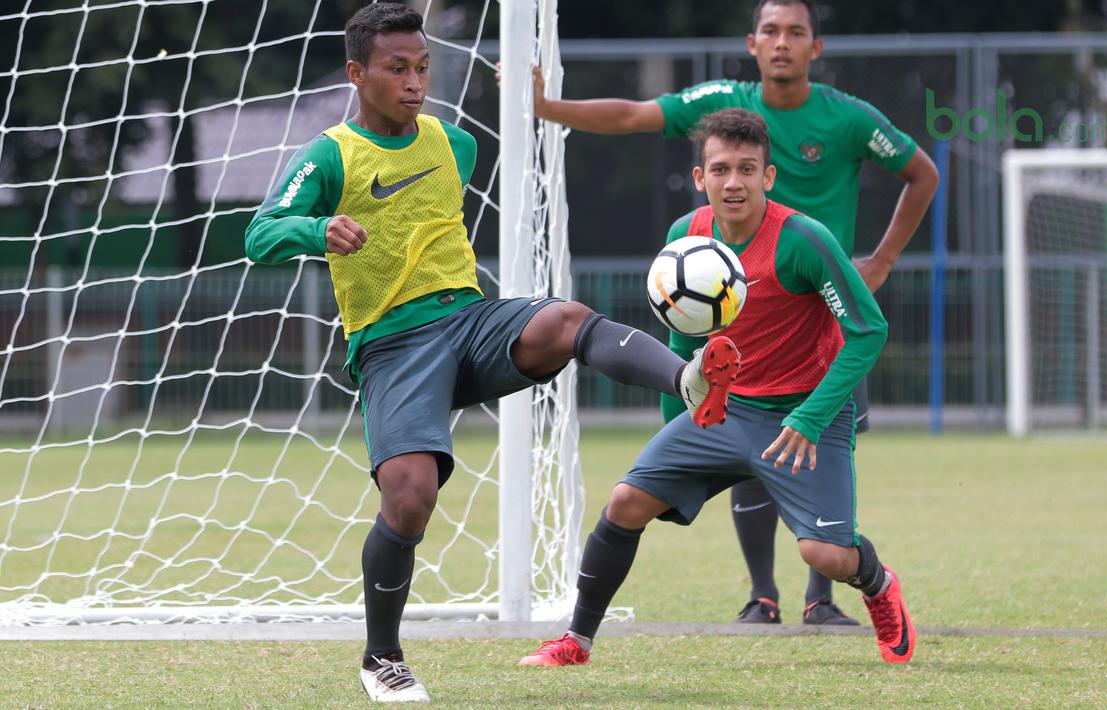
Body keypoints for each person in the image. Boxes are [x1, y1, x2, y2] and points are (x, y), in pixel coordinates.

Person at [243, 4, 741, 703]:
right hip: (391, 344)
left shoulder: (453, 144)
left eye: (421, 67)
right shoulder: (330, 155)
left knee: (565, 318)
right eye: (396, 69)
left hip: (470, 319)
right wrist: (318, 227)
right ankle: (381, 657)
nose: (414, 81)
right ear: (358, 74)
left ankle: (687, 377)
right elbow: (259, 235)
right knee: (410, 498)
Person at [530, 0, 938, 626]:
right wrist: (550, 109)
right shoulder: (717, 125)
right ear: (752, 43)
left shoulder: (847, 121)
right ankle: (760, 595)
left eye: (795, 32)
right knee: (707, 453)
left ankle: (826, 595)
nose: (782, 43)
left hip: (820, 317)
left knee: (814, 481)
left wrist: (880, 261)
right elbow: (636, 114)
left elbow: (921, 172)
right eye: (770, 31)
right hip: (740, 323)